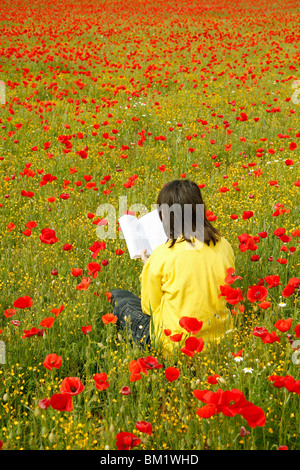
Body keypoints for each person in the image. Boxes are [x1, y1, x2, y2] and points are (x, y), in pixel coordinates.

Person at [109, 179, 235, 356]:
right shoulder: (224, 245)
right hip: (220, 341)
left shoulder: (162, 255)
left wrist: (148, 268)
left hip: (174, 345)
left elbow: (149, 308)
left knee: (119, 297)